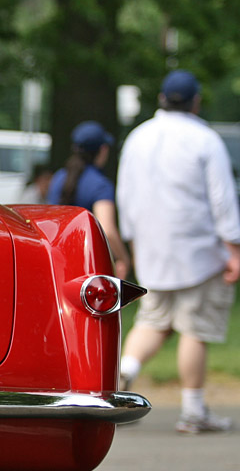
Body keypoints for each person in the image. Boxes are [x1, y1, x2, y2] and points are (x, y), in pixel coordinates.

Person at [117, 69, 240, 434]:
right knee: (194, 328)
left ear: (161, 99)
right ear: (196, 101)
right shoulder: (204, 139)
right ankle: (194, 410)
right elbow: (222, 198)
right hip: (198, 250)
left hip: (152, 247)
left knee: (153, 320)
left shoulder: (138, 137)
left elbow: (126, 194)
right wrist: (233, 248)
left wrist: (134, 243)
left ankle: (124, 376)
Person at [47, 121, 131, 278]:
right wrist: (123, 258)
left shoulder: (59, 178)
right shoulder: (100, 184)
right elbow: (107, 230)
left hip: (57, 261)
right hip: (88, 266)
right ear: (103, 150)